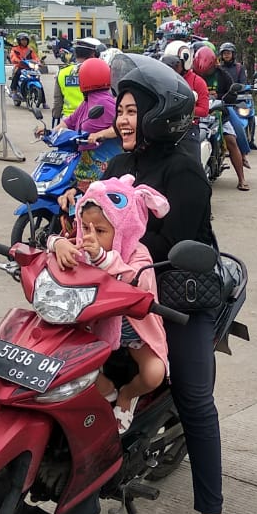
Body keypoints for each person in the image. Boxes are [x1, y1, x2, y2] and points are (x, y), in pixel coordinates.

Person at [57, 53, 232, 514]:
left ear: (162, 115)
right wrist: (67, 241)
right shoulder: (115, 166)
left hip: (176, 297)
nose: (124, 118)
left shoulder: (185, 173)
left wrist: (106, 254)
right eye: (123, 109)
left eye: (135, 109)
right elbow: (92, 227)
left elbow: (163, 246)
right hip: (117, 291)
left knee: (197, 400)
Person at [52, 176, 171, 432]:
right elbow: (56, 245)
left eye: (101, 230)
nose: (89, 236)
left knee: (154, 374)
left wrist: (103, 259)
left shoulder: (139, 254)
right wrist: (59, 243)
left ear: (125, 228)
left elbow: (137, 282)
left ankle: (127, 395)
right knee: (62, 363)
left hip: (135, 330)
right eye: (85, 227)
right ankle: (106, 388)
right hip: (96, 329)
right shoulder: (83, 247)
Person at [43, 56, 122, 185]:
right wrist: (51, 133)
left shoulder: (104, 102)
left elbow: (120, 126)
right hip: (84, 160)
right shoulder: (88, 100)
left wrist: (99, 134)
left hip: (101, 165)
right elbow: (69, 121)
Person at [193, 44, 250, 190]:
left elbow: (232, 94)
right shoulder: (193, 76)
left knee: (232, 139)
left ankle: (241, 178)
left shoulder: (223, 75)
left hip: (219, 113)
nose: (204, 74)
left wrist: (221, 97)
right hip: (198, 115)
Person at [52, 36, 104, 127]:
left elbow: (57, 101)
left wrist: (55, 118)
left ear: (75, 54)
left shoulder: (63, 72)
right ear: (93, 54)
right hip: (91, 120)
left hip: (67, 121)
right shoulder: (99, 72)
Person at [218, 42, 257, 149]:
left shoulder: (239, 68)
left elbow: (243, 82)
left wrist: (242, 88)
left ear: (233, 54)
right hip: (224, 99)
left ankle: (251, 140)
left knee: (251, 114)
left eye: (228, 53)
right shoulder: (219, 69)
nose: (226, 55)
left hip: (238, 98)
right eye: (224, 53)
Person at [8, 32, 38, 100]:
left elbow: (35, 57)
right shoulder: (15, 49)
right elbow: (13, 57)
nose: (24, 41)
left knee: (37, 76)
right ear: (19, 41)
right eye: (22, 40)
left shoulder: (30, 50)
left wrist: (38, 62)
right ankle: (13, 90)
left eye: (25, 40)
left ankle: (42, 99)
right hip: (19, 66)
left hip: (29, 67)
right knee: (17, 73)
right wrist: (18, 60)